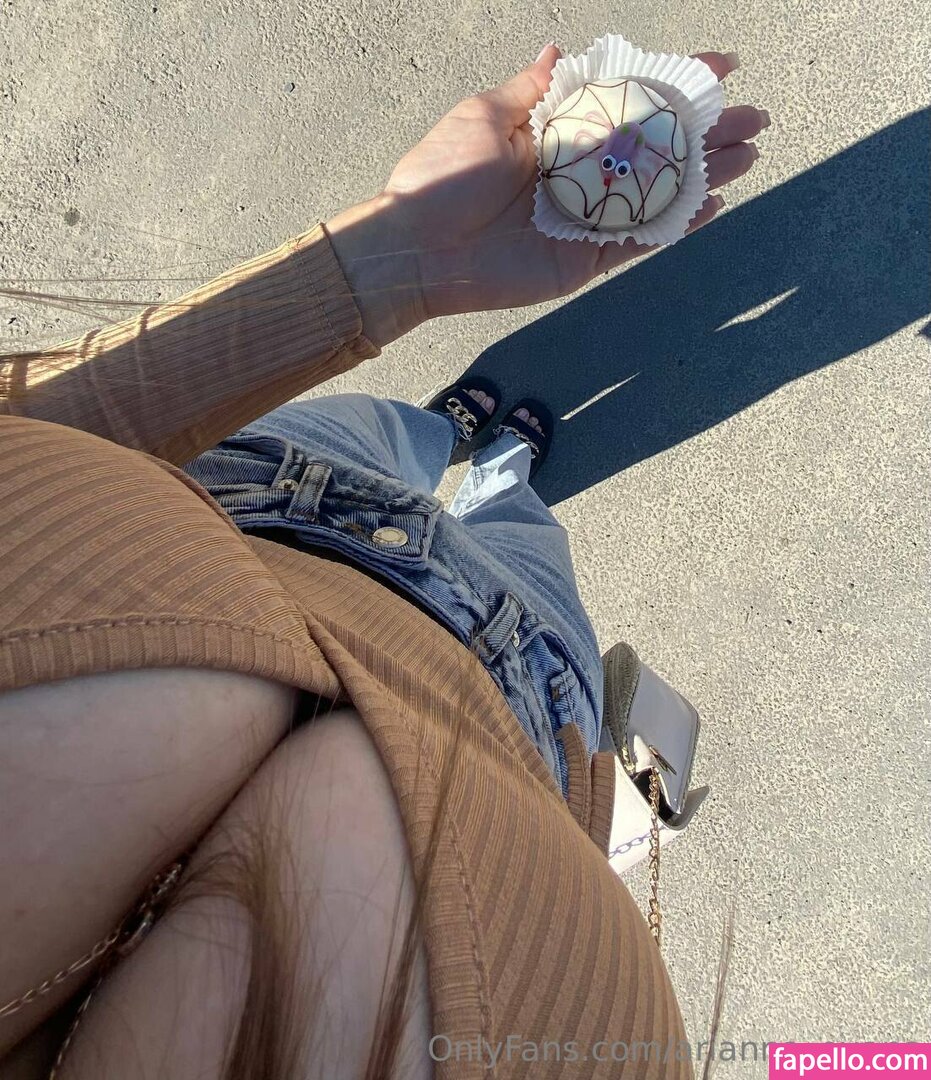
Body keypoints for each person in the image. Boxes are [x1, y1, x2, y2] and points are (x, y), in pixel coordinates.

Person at [0, 43, 764, 1079]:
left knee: (396, 429)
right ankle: (499, 467)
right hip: (533, 682)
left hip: (275, 485)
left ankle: (451, 433)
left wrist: (397, 259)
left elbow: (40, 430)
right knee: (523, 521)